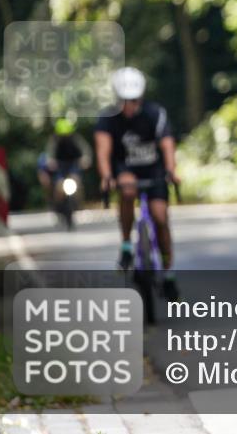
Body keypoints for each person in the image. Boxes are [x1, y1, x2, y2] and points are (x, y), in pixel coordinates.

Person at [95, 67, 181, 301]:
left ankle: (169, 273)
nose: (129, 106)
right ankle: (126, 246)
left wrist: (172, 170)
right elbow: (103, 151)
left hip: (154, 170)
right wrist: (106, 176)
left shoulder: (155, 113)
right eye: (124, 101)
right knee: (127, 187)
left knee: (160, 218)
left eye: (133, 101)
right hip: (125, 168)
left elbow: (167, 144)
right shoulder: (107, 118)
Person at [37, 118, 93, 209]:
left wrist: (86, 159)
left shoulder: (76, 139)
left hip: (73, 164)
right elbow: (49, 153)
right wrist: (50, 161)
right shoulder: (54, 140)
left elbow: (85, 150)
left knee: (76, 181)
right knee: (59, 185)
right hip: (59, 166)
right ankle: (57, 204)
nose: (65, 137)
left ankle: (78, 204)